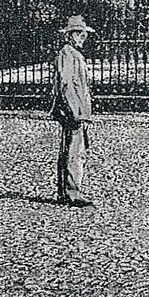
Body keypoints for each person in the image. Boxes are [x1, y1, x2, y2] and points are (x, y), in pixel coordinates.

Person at [51, 15, 95, 208]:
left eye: (83, 34)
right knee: (74, 152)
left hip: (77, 109)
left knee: (72, 149)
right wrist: (75, 111)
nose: (82, 37)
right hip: (74, 111)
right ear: (70, 35)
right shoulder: (68, 54)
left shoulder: (73, 54)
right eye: (79, 34)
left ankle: (66, 191)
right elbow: (66, 84)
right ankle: (72, 193)